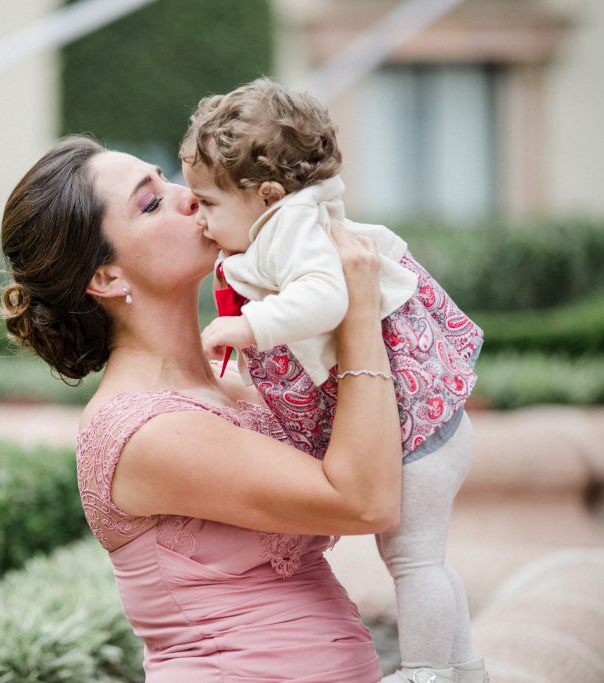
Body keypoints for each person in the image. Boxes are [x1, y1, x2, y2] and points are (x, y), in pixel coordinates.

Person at [0, 135, 403, 682]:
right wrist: (355, 308)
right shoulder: (147, 431)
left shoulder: (232, 380)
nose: (188, 195)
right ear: (106, 278)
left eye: (166, 177)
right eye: (150, 202)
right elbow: (365, 501)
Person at [180, 77, 487, 683]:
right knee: (425, 559)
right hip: (430, 426)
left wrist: (244, 330)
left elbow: (323, 300)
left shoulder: (289, 227)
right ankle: (463, 668)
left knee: (414, 561)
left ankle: (426, 672)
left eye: (210, 204)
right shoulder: (283, 224)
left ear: (266, 193)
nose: (200, 218)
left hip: (416, 434)